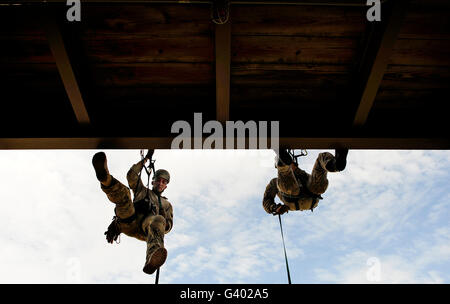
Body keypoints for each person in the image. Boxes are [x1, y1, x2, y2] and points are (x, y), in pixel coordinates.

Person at [92, 150, 173, 275]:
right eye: (158, 180)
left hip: (146, 228)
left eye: (164, 182)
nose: (160, 183)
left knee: (159, 220)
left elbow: (168, 226)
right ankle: (105, 178)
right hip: (130, 220)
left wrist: (162, 215)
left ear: (166, 186)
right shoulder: (142, 191)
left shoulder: (166, 205)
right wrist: (145, 159)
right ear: (153, 181)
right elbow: (132, 175)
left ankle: (152, 258)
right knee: (124, 193)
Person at [263, 148, 349, 215]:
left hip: (309, 196)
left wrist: (274, 208)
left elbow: (316, 177)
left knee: (321, 160)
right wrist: (274, 207)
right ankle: (282, 162)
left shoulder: (302, 175)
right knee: (288, 181)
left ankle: (335, 165)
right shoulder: (276, 182)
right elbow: (267, 199)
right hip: (300, 198)